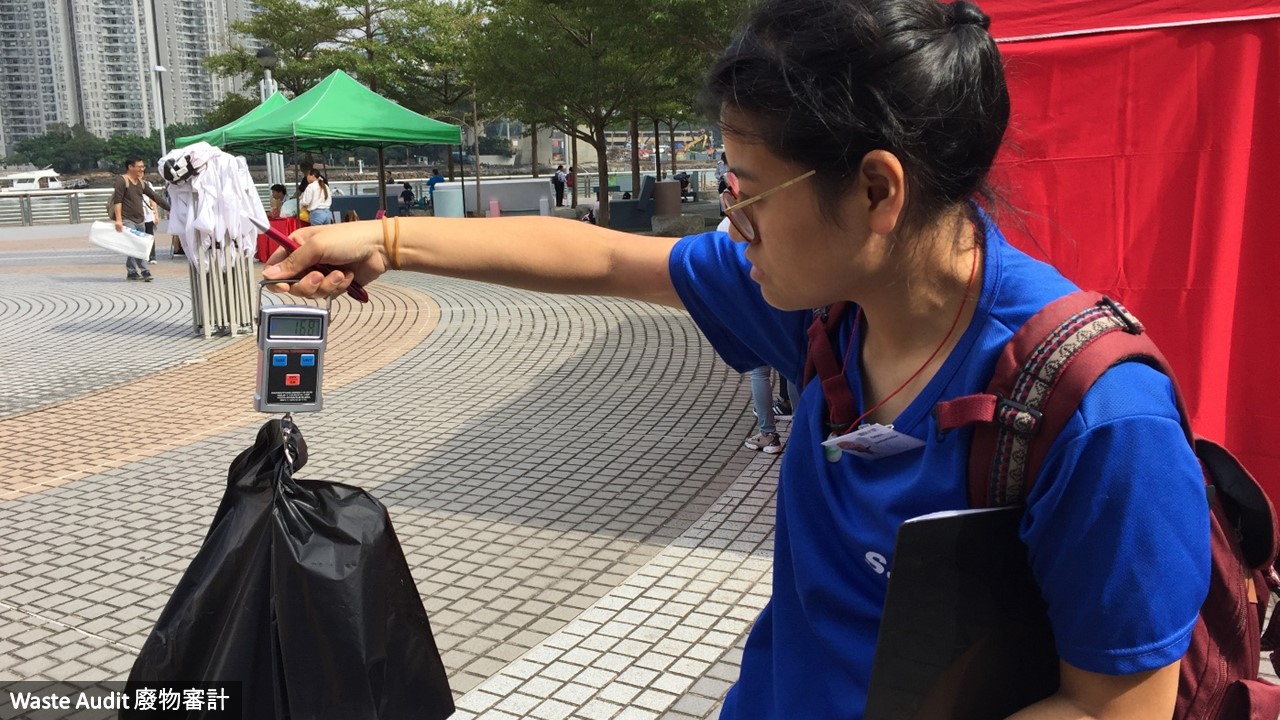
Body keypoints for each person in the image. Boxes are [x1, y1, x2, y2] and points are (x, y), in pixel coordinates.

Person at [263, 1, 1209, 717]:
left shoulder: (1097, 417)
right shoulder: (823, 304)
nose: (730, 222)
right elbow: (604, 257)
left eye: (746, 190)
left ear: (878, 190)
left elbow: (1113, 707)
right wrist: (385, 238)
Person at [111, 156, 169, 281]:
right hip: (127, 219)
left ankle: (131, 271)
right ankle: (145, 270)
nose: (142, 169)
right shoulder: (122, 181)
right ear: (130, 167)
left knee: (135, 245)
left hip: (140, 219)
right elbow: (118, 201)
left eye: (143, 167)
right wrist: (119, 220)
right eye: (140, 167)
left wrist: (170, 208)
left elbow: (154, 196)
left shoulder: (141, 183)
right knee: (136, 244)